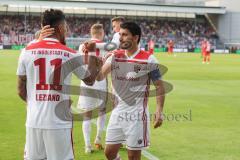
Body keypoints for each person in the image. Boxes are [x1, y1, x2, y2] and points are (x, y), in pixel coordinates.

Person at [17, 9, 100, 160]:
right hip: (59, 123)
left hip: (34, 121)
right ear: (61, 28)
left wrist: (37, 104)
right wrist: (93, 54)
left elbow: (20, 91)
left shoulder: (26, 51)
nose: (67, 32)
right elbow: (90, 79)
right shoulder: (68, 53)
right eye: (66, 28)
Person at [86, 22, 165, 160]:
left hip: (137, 116)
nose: (120, 38)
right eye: (119, 35)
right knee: (109, 153)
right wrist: (93, 56)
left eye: (124, 35)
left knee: (133, 156)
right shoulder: (115, 56)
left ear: (135, 37)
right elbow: (98, 77)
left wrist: (159, 110)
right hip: (117, 112)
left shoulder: (148, 59)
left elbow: (159, 86)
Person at [78, 24, 107, 153]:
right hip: (100, 81)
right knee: (102, 112)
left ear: (91, 32)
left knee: (87, 115)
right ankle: (98, 139)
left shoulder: (82, 46)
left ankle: (87, 146)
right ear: (102, 33)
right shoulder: (106, 46)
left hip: (86, 82)